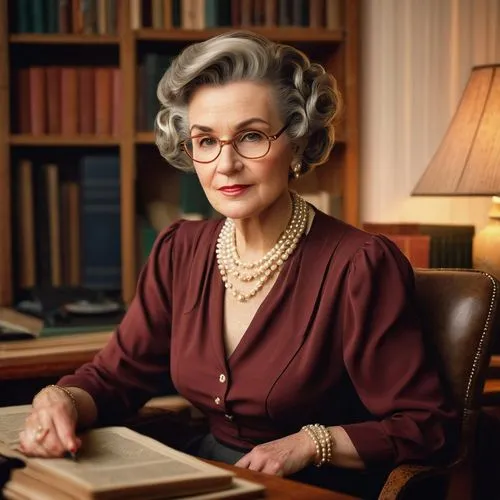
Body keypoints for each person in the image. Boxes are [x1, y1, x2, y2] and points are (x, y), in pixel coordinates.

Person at [19, 31, 457, 498]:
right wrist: (59, 399)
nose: (225, 164)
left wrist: (311, 443)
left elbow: (426, 425)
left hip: (311, 487)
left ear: (297, 139)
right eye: (205, 140)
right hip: (205, 472)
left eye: (250, 136)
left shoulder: (359, 266)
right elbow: (116, 378)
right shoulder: (179, 250)